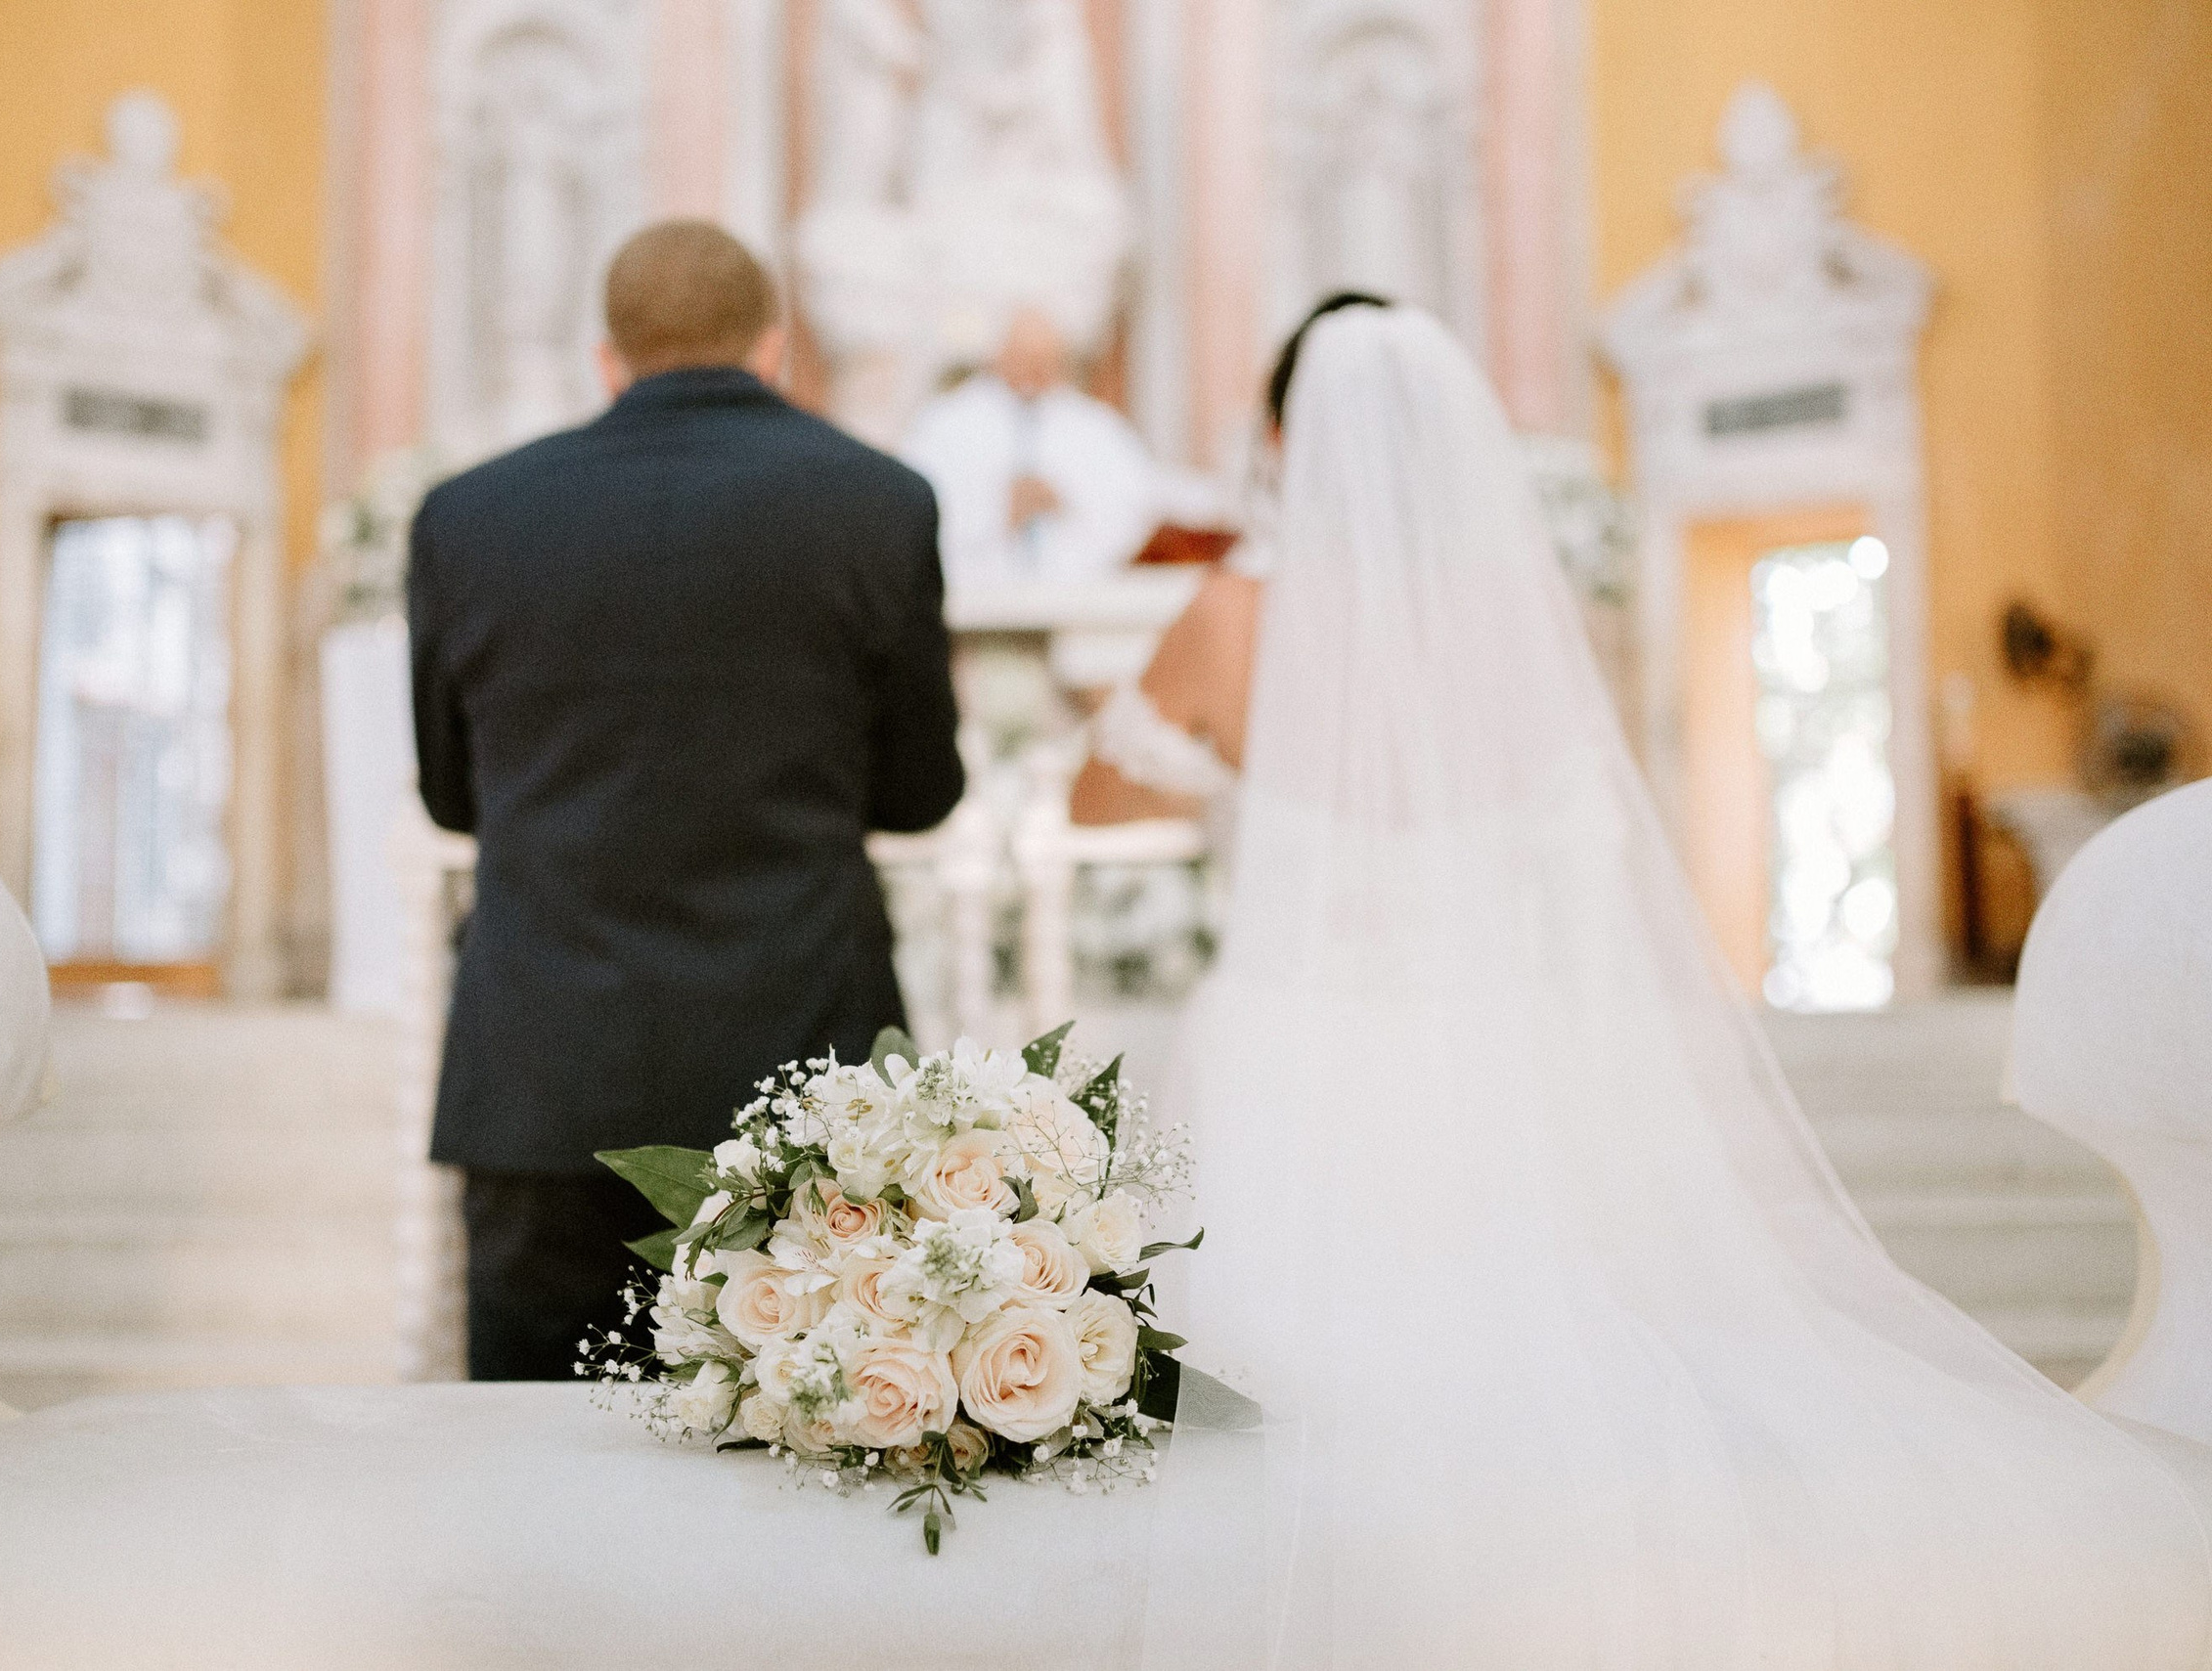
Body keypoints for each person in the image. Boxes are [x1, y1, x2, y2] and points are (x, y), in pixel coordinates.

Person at [1094, 300, 2212, 1665]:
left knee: (1288, 1392)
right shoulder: (1524, 628)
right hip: (1486, 1044)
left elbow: (1102, 800)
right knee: (1506, 1380)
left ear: (1281, 439)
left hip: (1296, 1041)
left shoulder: (1227, 616)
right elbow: (1580, 849)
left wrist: (1231, 764)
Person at [408, 220, 966, 1382]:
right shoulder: (880, 501)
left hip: (544, 1075)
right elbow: (919, 794)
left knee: (532, 1466)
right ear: (771, 350)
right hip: (806, 1077)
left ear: (607, 360)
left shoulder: (467, 516)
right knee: (808, 1460)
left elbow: (454, 796)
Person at [902, 308, 1164, 587]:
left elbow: (1137, 504)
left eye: (1045, 360)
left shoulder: (1097, 427)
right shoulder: (945, 423)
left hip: (1075, 595)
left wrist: (1067, 501)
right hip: (977, 594)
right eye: (1023, 358)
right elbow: (913, 508)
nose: (1034, 370)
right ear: (998, 356)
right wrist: (996, 510)